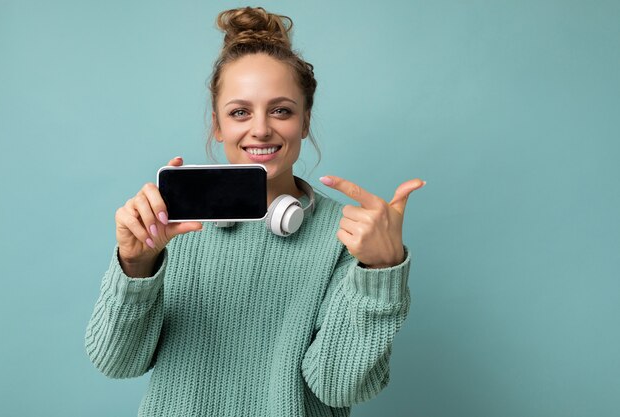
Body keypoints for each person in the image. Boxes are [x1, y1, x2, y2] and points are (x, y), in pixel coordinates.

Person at [85, 6, 425, 417]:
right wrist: (136, 268)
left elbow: (338, 387)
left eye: (281, 110)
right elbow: (115, 362)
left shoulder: (353, 236)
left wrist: (380, 276)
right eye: (240, 112)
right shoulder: (169, 224)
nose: (261, 128)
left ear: (305, 122)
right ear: (217, 125)